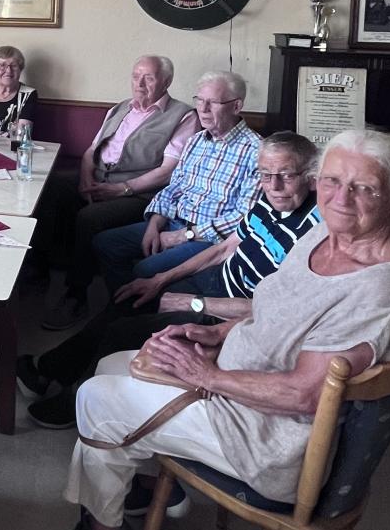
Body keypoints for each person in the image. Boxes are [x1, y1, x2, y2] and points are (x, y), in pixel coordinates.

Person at [45, 129, 390, 530]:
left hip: (272, 440)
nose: (341, 198)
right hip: (246, 392)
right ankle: (145, 484)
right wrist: (220, 335)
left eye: (364, 187)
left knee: (97, 397)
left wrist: (205, 375)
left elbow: (303, 395)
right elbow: (274, 311)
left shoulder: (383, 293)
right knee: (112, 364)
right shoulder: (324, 237)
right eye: (331, 181)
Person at [21, 132, 321, 430]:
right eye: (266, 175)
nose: (274, 185)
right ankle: (49, 369)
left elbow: (273, 312)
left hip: (229, 317)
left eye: (285, 175)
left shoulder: (316, 233)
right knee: (129, 297)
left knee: (124, 331)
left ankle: (76, 401)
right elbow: (222, 249)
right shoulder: (268, 201)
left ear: (309, 177)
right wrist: (160, 279)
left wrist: (194, 303)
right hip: (215, 282)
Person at [59, 70, 261, 333]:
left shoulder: (256, 151)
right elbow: (173, 187)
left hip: (209, 239)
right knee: (105, 244)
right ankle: (129, 309)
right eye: (200, 100)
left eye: (213, 102)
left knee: (145, 268)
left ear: (236, 105)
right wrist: (155, 223)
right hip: (172, 223)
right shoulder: (198, 141)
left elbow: (242, 218)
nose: (204, 109)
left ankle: (132, 320)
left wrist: (182, 236)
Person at [35, 56, 199, 330]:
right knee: (50, 188)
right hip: (99, 178)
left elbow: (168, 171)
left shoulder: (184, 116)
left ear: (167, 81)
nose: (140, 83)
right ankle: (40, 271)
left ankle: (77, 294)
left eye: (149, 77)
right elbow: (90, 152)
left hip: (141, 193)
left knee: (89, 218)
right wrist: (85, 181)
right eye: (136, 76)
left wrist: (122, 189)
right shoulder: (120, 108)